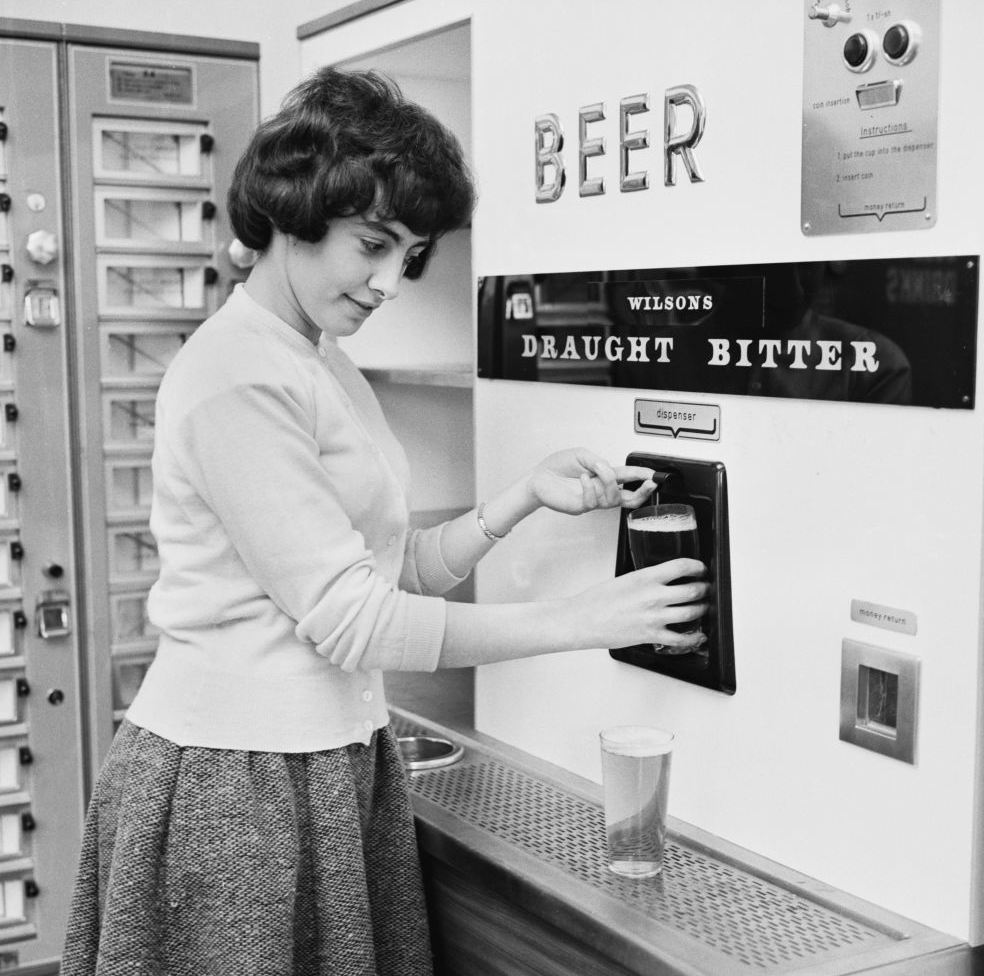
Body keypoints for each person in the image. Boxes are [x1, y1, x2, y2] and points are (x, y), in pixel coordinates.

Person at [60, 67, 708, 976]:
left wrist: (515, 501)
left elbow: (385, 567)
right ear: (294, 210)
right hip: (234, 782)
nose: (390, 281)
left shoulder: (317, 359)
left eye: (407, 253)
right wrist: (588, 621)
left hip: (321, 766)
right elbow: (352, 617)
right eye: (372, 243)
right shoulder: (237, 375)